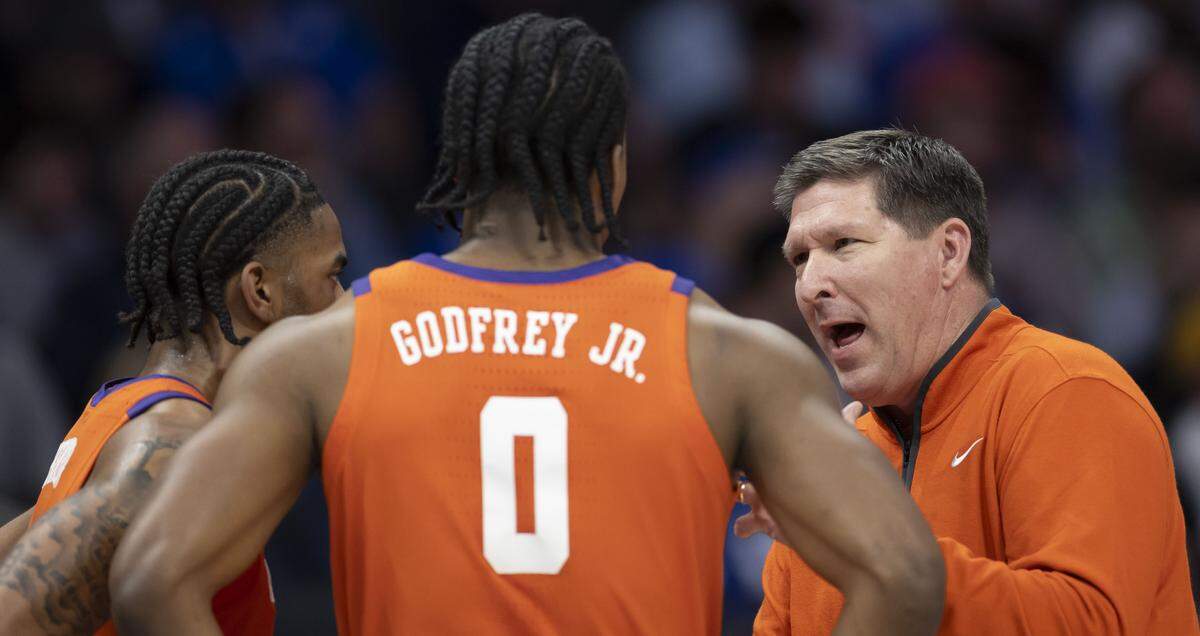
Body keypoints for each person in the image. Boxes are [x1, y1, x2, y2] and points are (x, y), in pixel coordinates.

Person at [110, 14, 944, 635]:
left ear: (461, 158)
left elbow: (152, 577)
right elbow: (904, 575)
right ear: (613, 161)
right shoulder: (727, 353)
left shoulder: (323, 348)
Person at [738, 129, 1198, 634]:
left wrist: (868, 536)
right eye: (799, 259)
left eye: (843, 243)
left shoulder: (1066, 390)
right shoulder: (835, 473)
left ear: (950, 252)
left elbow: (1088, 624)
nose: (808, 286)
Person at [0, 150, 348, 635]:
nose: (343, 303)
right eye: (332, 276)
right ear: (260, 291)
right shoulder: (173, 440)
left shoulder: (124, 409)